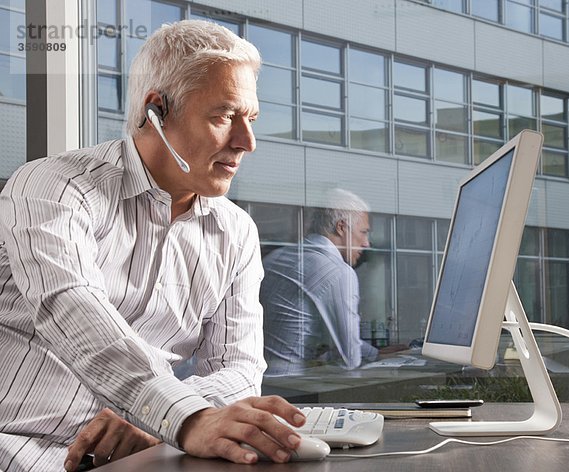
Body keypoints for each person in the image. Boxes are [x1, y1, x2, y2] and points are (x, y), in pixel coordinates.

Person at [0, 20, 306, 472]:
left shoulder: (235, 231)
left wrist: (161, 420)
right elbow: (75, 314)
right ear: (156, 110)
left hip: (141, 455)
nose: (247, 142)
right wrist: (184, 417)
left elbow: (241, 370)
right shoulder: (52, 187)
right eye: (224, 116)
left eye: (251, 119)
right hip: (19, 449)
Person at [260, 189, 379, 375]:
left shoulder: (275, 258)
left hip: (257, 384)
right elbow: (349, 359)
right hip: (292, 388)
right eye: (363, 232)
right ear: (342, 227)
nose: (366, 243)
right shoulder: (339, 272)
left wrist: (375, 353)